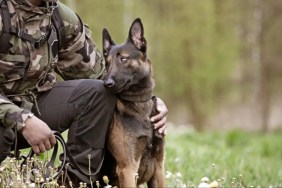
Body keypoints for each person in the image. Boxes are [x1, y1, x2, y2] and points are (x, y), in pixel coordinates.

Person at [0, 0, 168, 185]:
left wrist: (149, 102)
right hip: (6, 118)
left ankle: (74, 182)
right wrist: (22, 119)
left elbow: (106, 78)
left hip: (35, 106)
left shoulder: (60, 18)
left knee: (98, 92)